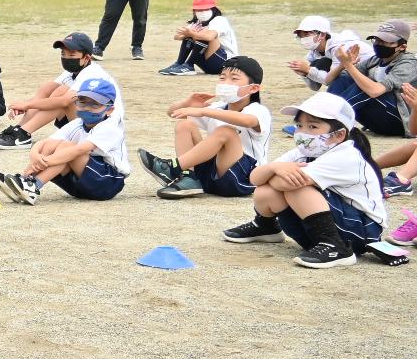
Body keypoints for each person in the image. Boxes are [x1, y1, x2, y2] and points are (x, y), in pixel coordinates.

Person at [225, 92, 388, 268]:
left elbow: (288, 183)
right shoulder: (304, 152)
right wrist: (273, 168)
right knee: (266, 191)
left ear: (339, 135)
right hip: (328, 222)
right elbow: (255, 178)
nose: (302, 132)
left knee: (296, 187)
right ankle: (267, 226)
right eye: (299, 125)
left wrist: (273, 174)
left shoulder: (346, 155)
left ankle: (336, 247)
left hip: (360, 230)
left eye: (313, 127)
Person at [139, 57, 271, 199]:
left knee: (226, 131)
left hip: (244, 178)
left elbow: (247, 121)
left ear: (254, 88)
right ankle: (189, 178)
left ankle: (172, 168)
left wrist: (204, 111)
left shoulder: (258, 110)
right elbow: (173, 113)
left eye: (234, 79)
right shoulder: (218, 107)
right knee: (185, 124)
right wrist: (187, 103)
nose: (226, 83)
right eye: (222, 78)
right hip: (213, 174)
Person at [0, 77, 127, 206]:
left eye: (95, 104)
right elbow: (44, 142)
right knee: (52, 145)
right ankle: (24, 180)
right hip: (83, 183)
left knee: (67, 148)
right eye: (82, 101)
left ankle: (33, 185)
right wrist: (35, 156)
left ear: (110, 110)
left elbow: (80, 150)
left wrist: (45, 161)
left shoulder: (110, 127)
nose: (86, 108)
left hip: (107, 183)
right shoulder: (78, 123)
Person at [0, 31, 120, 149]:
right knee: (56, 91)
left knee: (65, 99)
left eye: (72, 55)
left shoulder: (91, 73)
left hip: (100, 126)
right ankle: (19, 131)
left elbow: (63, 102)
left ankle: (23, 135)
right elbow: (45, 91)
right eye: (63, 53)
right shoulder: (73, 71)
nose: (66, 58)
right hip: (84, 121)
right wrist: (27, 106)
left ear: (86, 58)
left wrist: (28, 105)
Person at [326, 19, 417, 138]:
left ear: (402, 46)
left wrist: (348, 65)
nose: (379, 44)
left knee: (367, 86)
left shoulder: (408, 64)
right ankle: (321, 116)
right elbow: (329, 81)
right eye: (377, 40)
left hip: (402, 123)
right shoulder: (375, 60)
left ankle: (327, 123)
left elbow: (375, 91)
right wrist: (343, 64)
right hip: (378, 120)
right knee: (343, 78)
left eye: (385, 42)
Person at [158, 0, 238, 76]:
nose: (202, 12)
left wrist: (192, 34)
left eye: (206, 9)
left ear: (213, 10)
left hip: (225, 63)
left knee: (202, 36)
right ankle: (179, 63)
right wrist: (187, 35)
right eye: (199, 10)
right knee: (193, 35)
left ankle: (189, 65)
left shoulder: (219, 20)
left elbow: (209, 37)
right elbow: (176, 36)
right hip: (208, 65)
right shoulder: (198, 22)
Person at [288, 15, 335, 91]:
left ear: (322, 35)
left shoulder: (338, 48)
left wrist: (308, 70)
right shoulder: (313, 54)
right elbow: (315, 86)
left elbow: (335, 80)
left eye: (306, 34)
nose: (303, 38)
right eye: (300, 36)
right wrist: (305, 74)